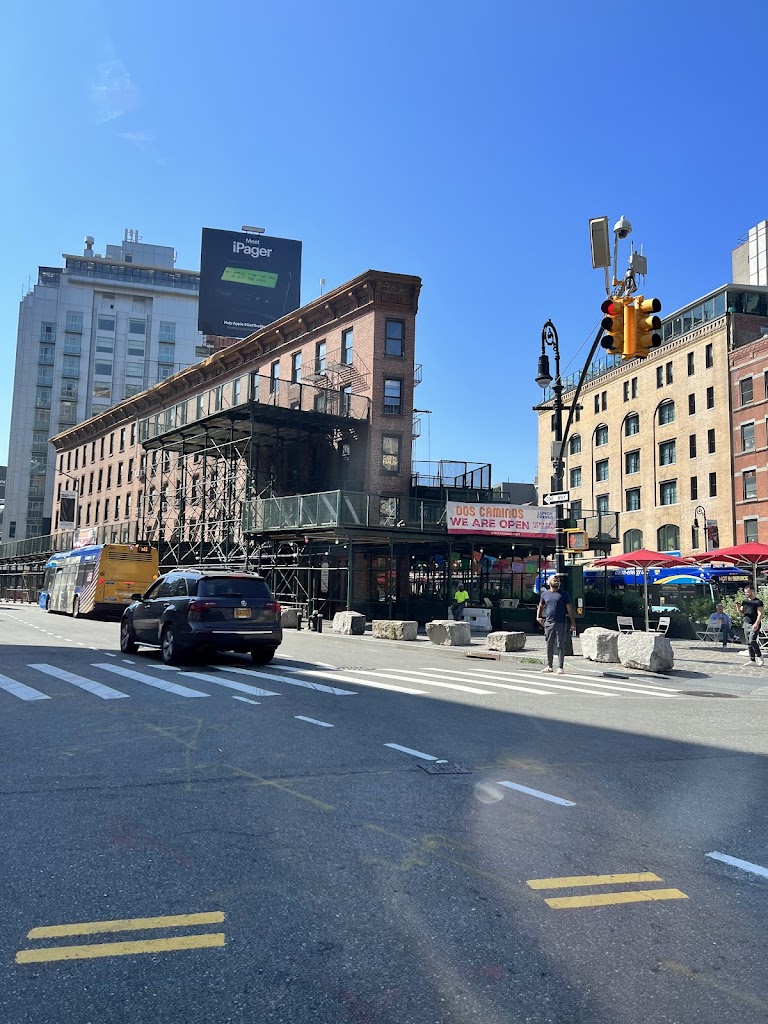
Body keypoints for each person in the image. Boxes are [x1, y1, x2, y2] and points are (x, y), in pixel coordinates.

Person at [536, 575, 576, 675]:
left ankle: (560, 667)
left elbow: (569, 608)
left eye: (558, 581)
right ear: (549, 582)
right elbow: (541, 606)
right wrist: (538, 617)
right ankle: (549, 666)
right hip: (549, 622)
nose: (557, 582)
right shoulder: (545, 594)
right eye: (555, 580)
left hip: (561, 622)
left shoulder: (564, 594)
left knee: (560, 644)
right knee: (549, 644)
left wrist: (573, 622)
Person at [738, 586, 764, 667]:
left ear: (752, 591)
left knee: (752, 640)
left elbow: (760, 614)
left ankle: (760, 656)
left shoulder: (758, 602)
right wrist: (738, 607)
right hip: (746, 623)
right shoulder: (745, 602)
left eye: (747, 592)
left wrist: (756, 623)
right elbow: (741, 613)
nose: (746, 594)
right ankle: (752, 660)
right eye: (745, 592)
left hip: (754, 623)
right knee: (748, 643)